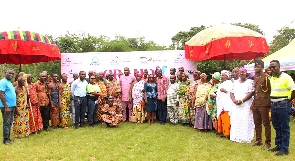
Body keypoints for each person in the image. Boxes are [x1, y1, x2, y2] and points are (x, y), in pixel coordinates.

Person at [268, 60, 295, 156]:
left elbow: (293, 90)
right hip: (274, 105)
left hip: (283, 105)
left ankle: (284, 149)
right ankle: (279, 145)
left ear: (279, 66)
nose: (272, 69)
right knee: (276, 126)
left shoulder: (286, 77)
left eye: (274, 67)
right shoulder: (272, 78)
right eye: (270, 67)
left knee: (284, 127)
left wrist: (287, 100)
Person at [230, 67, 254, 143]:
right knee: (236, 120)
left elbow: (251, 93)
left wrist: (242, 100)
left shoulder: (250, 82)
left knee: (245, 119)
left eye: (243, 72)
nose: (241, 73)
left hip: (245, 104)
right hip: (236, 104)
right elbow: (231, 92)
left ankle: (245, 137)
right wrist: (234, 100)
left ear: (246, 73)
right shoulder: (235, 82)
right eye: (240, 72)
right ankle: (236, 137)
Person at [251, 59, 271, 150]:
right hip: (256, 103)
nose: (256, 68)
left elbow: (270, 90)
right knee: (257, 123)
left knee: (266, 123)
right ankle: (258, 140)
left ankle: (268, 143)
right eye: (255, 66)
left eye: (258, 66)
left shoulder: (266, 77)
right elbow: (255, 91)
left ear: (262, 67)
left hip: (264, 103)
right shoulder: (255, 77)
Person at [0, 68, 16, 145]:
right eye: (9, 73)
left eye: (12, 74)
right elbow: (1, 94)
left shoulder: (9, 82)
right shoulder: (3, 82)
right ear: (5, 72)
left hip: (12, 106)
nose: (11, 75)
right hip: (6, 106)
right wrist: (6, 107)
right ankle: (6, 140)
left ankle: (8, 138)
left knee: (9, 122)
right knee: (6, 123)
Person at [216, 70, 232, 138]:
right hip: (221, 103)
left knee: (226, 118)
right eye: (221, 75)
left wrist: (225, 91)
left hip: (226, 103)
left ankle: (227, 133)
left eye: (224, 75)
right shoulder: (222, 84)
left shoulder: (230, 83)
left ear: (227, 76)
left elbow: (232, 92)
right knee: (221, 117)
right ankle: (221, 131)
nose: (222, 76)